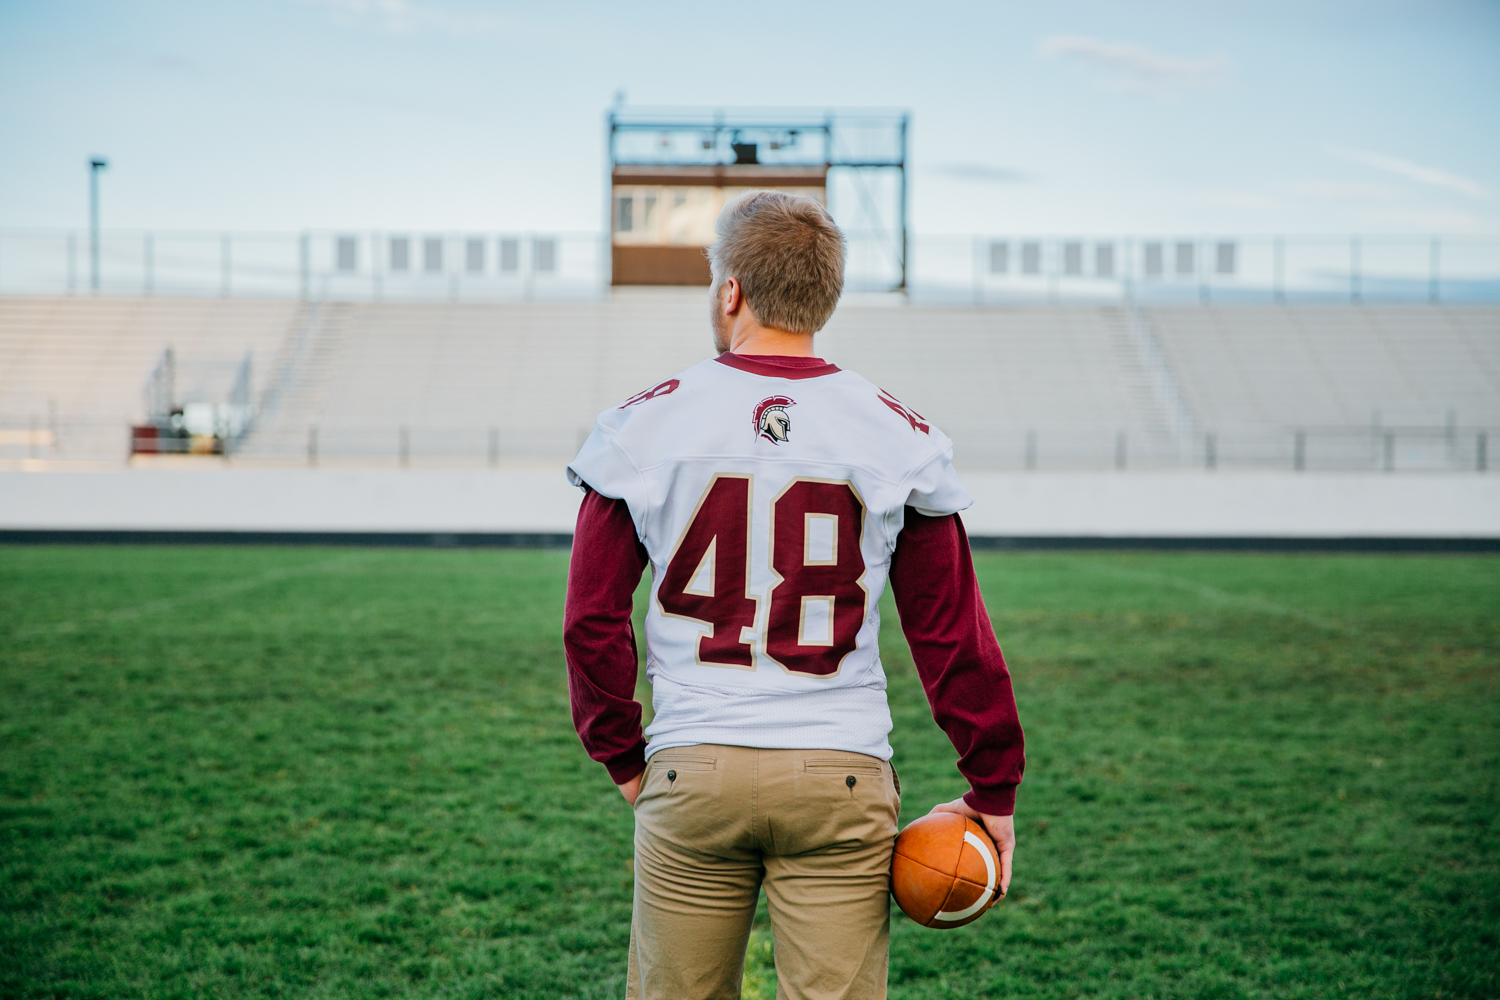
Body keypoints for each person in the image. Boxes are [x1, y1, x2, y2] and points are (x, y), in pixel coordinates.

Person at [563, 190, 1024, 1000]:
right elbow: (951, 635)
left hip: (693, 767)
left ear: (730, 291)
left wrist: (624, 755)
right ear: (826, 297)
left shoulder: (643, 425)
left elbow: (592, 619)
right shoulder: (897, 435)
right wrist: (995, 785)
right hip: (839, 774)